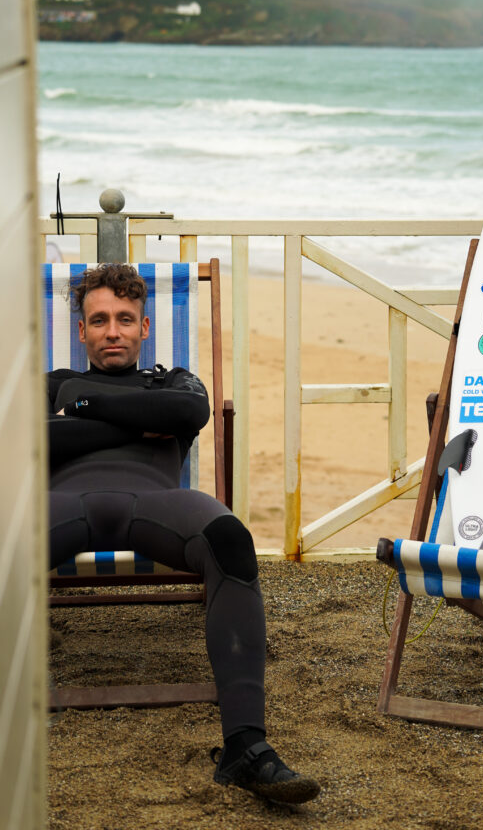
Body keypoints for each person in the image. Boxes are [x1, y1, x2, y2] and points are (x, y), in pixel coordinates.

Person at [47, 263, 320, 805]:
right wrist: (137, 420)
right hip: (56, 504)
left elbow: (189, 410)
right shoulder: (48, 382)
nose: (112, 332)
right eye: (98, 321)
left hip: (158, 503)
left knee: (230, 539)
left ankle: (246, 747)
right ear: (81, 331)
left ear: (145, 328)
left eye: (125, 319)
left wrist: (83, 406)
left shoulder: (172, 381)